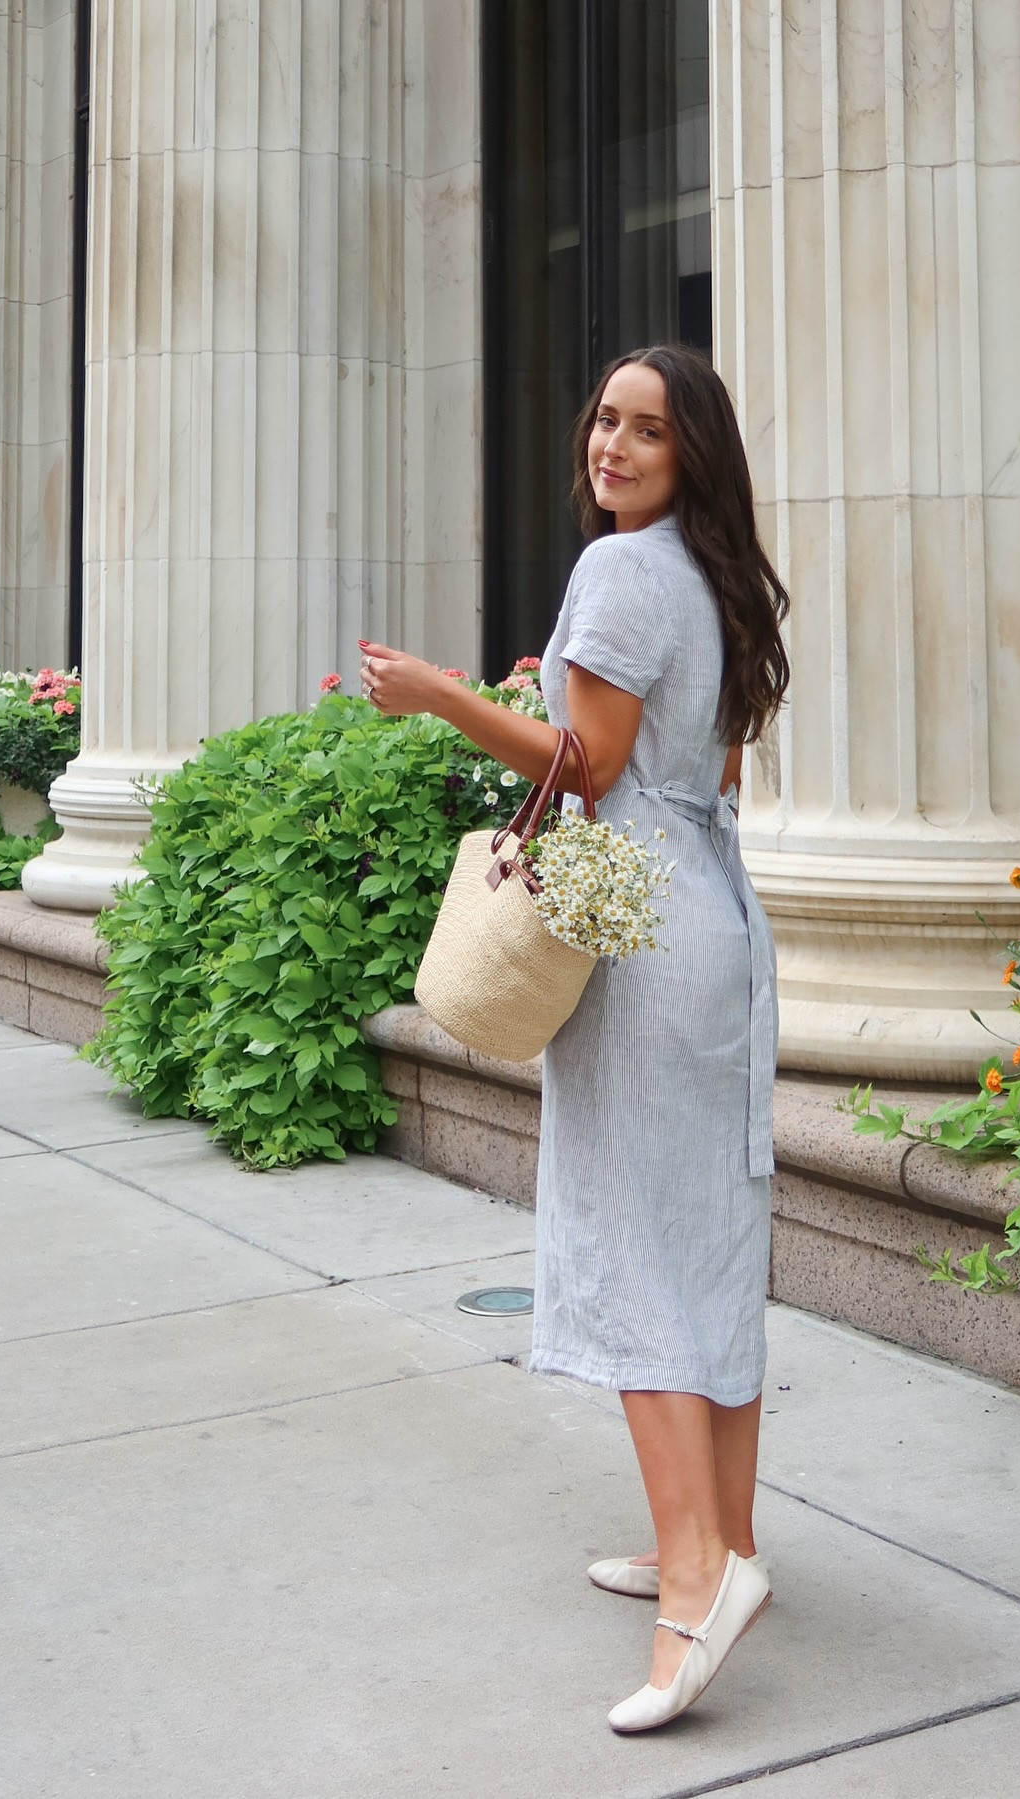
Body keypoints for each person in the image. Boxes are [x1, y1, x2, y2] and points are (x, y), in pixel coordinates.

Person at [360, 343, 790, 1732]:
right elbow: (707, 762)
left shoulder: (621, 573)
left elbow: (585, 770)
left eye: (645, 430)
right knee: (706, 1241)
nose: (611, 444)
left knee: (632, 1255)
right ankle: (729, 1544)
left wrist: (438, 694)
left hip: (642, 930)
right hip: (718, 922)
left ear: (689, 454)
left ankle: (694, 1587)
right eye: (603, 417)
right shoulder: (715, 579)